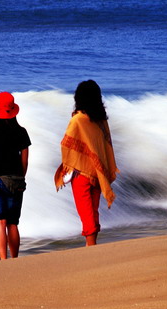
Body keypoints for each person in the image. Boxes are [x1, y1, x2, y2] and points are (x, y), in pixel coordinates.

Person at [54, 80, 118, 246]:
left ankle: (91, 248)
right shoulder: (101, 120)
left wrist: (70, 163)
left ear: (79, 97)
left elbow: (66, 144)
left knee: (85, 212)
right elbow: (105, 145)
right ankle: (92, 245)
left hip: (81, 173)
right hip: (97, 171)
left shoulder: (78, 120)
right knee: (93, 210)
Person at [0, 92, 31, 259]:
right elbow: (24, 160)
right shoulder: (21, 132)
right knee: (12, 223)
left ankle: (3, 261)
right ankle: (15, 260)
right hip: (16, 178)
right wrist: (20, 178)